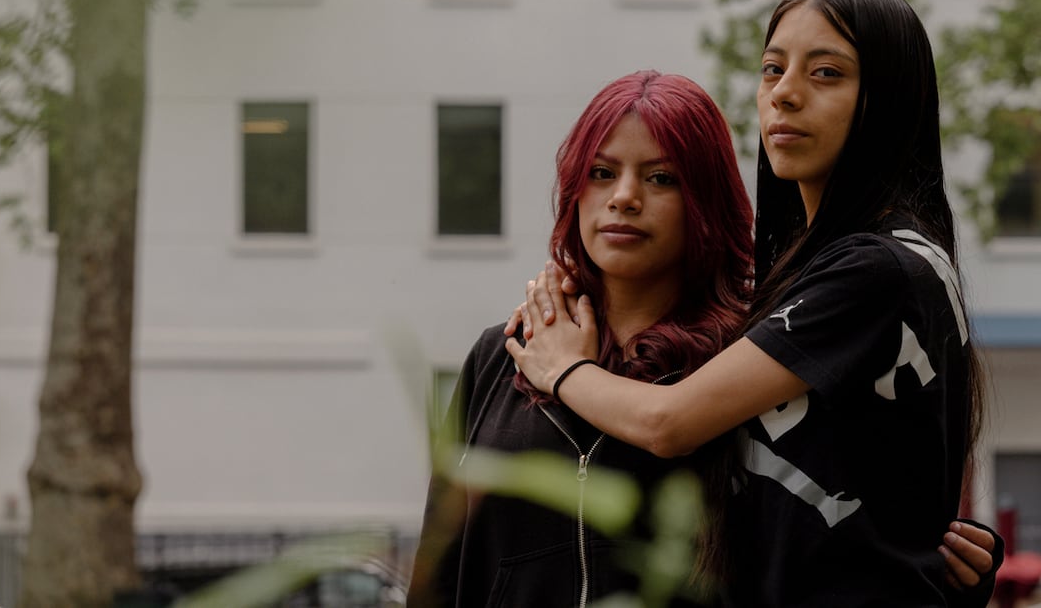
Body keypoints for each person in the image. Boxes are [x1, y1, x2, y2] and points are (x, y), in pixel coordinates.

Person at [408, 69, 997, 608]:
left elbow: (834, 534)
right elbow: (439, 568)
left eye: (660, 178)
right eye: (601, 173)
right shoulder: (503, 353)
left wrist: (939, 565)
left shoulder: (749, 362)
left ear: (705, 202)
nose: (624, 198)